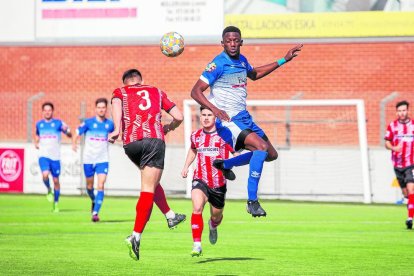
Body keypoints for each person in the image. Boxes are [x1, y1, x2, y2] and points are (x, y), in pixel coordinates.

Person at [190, 25, 302, 217]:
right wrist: (215, 110)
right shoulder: (217, 63)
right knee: (260, 148)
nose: (232, 44)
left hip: (244, 117)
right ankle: (252, 201)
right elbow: (195, 91)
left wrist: (284, 59)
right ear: (223, 43)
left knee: (271, 154)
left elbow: (255, 74)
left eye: (236, 40)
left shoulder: (242, 61)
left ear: (241, 42)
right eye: (228, 41)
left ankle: (225, 164)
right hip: (228, 119)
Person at [109, 68, 184, 261]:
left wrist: (117, 128)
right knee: (148, 188)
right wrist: (169, 127)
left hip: (131, 143)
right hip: (153, 140)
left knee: (150, 182)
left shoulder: (120, 92)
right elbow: (179, 116)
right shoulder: (156, 91)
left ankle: (170, 215)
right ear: (140, 80)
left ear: (126, 82)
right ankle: (135, 236)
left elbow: (116, 104)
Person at [181, 106, 236, 257]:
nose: (205, 117)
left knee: (216, 216)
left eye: (209, 115)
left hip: (219, 183)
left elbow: (236, 152)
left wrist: (230, 166)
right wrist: (186, 166)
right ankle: (197, 244)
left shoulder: (224, 135)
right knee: (197, 207)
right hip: (200, 179)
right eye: (203, 115)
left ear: (215, 117)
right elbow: (193, 150)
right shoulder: (196, 136)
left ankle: (213, 226)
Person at [72, 98, 114, 222]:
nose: (101, 109)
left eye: (103, 107)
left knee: (100, 185)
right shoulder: (88, 123)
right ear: (96, 109)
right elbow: (77, 132)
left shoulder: (110, 124)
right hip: (89, 159)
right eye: (99, 107)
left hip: (103, 159)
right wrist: (74, 143)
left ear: (106, 109)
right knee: (89, 186)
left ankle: (95, 213)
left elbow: (115, 135)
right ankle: (94, 200)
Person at [34, 102, 72, 212]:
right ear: (42, 112)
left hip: (55, 157)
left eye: (49, 110)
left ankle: (56, 203)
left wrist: (68, 132)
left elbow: (68, 133)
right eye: (45, 110)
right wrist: (36, 142)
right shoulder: (39, 124)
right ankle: (48, 189)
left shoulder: (58, 123)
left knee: (56, 181)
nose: (47, 112)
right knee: (45, 175)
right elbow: (37, 134)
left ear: (52, 111)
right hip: (43, 155)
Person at [384, 100, 414, 229]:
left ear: (408, 111)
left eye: (404, 110)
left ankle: (409, 218)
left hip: (411, 163)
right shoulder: (392, 126)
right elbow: (387, 143)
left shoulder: (413, 125)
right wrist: (394, 148)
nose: (402, 113)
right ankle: (411, 211)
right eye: (399, 111)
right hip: (397, 165)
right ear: (397, 112)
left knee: (412, 189)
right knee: (406, 194)